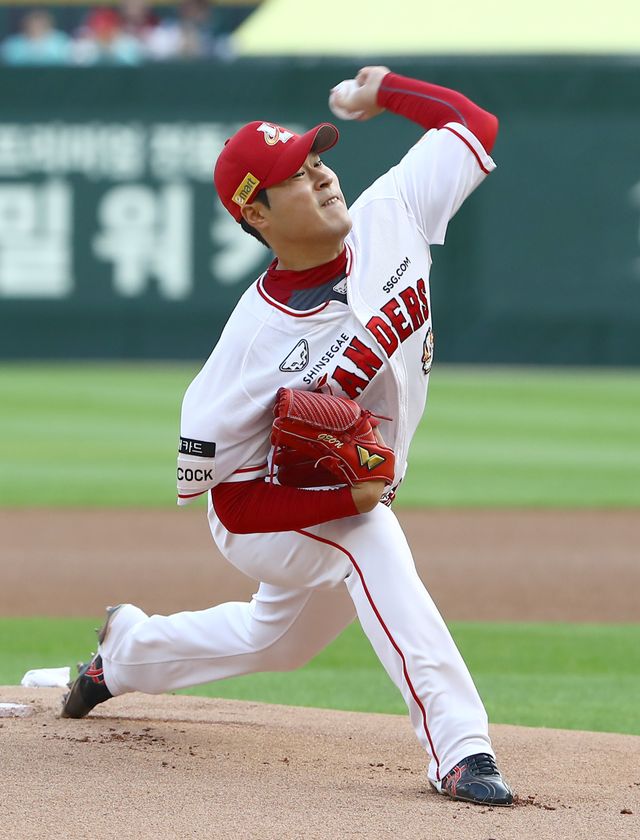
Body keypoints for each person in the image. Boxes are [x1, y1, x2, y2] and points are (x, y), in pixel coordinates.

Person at [62, 66, 513, 807]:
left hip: (346, 490)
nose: (322, 176)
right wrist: (346, 500)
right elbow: (233, 506)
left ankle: (125, 652)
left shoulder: (392, 211)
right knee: (370, 539)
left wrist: (384, 89)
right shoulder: (247, 352)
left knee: (275, 642)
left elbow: (474, 127)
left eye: (317, 160)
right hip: (266, 510)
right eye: (295, 176)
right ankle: (460, 748)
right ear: (257, 213)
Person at [1, 9, 72, 66]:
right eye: (33, 22)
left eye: (40, 23)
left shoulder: (61, 41)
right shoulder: (12, 44)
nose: (36, 26)